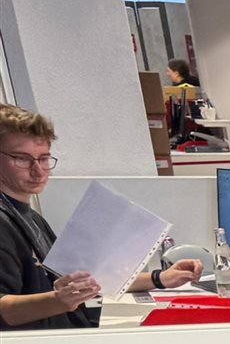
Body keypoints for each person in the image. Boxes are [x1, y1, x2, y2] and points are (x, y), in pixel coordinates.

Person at [0, 103, 203, 330]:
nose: (38, 170)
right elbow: (4, 307)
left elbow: (84, 280)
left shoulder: (30, 217)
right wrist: (58, 301)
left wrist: (160, 278)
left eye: (44, 158)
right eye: (22, 159)